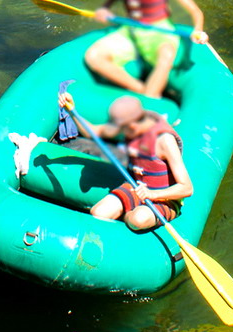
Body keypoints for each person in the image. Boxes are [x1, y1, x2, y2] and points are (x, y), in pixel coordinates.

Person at [74, 93, 194, 232]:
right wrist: (72, 110)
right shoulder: (129, 127)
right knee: (99, 212)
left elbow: (187, 188)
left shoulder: (164, 141)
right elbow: (92, 132)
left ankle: (127, 216)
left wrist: (152, 194)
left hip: (164, 198)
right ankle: (127, 214)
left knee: (138, 219)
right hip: (135, 187)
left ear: (132, 125)